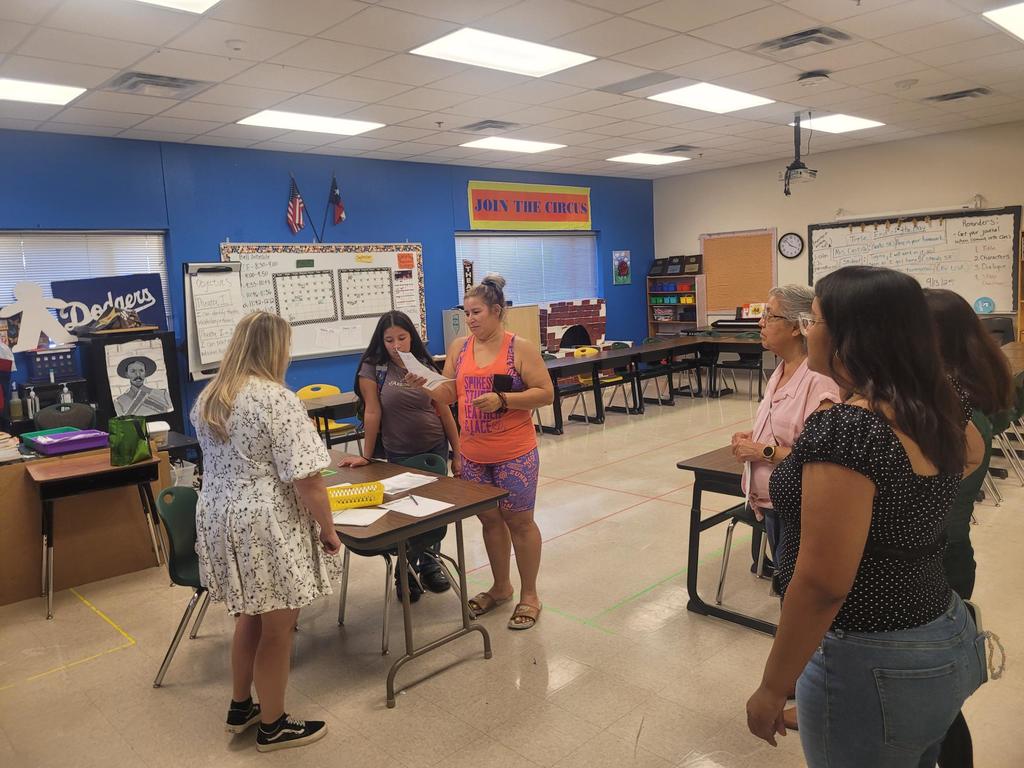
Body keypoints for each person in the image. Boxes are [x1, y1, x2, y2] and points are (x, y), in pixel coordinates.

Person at [746, 266, 988, 768]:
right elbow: (970, 457)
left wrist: (773, 688)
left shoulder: (848, 433)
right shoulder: (932, 399)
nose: (807, 330)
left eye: (813, 320)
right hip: (939, 625)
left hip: (873, 654)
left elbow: (823, 584)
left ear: (849, 336)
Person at [192, 311, 341, 753]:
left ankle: (242, 706)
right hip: (265, 522)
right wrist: (328, 530)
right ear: (276, 348)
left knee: (251, 617)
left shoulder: (210, 397)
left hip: (220, 516)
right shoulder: (276, 399)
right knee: (279, 626)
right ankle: (273, 725)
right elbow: (308, 478)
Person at [407, 274, 553, 630]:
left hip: (514, 451)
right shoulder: (459, 348)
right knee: (489, 520)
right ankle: (501, 587)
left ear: (496, 312)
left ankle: (529, 595)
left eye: (477, 312)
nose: (470, 319)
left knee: (519, 522)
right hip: (473, 453)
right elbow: (449, 394)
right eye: (466, 312)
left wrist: (505, 399)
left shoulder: (520, 348)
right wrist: (425, 386)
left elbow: (545, 393)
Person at [925, 289, 1013, 768]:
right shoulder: (966, 393)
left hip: (938, 559)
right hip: (951, 552)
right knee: (942, 704)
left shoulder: (951, 408)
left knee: (937, 708)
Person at [338, 311, 461, 601]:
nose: (396, 344)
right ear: (381, 341)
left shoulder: (424, 364)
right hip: (396, 453)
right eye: (389, 339)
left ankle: (430, 562)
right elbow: (372, 411)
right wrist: (366, 456)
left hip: (435, 449)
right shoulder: (373, 369)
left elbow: (444, 408)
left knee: (434, 513)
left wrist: (458, 450)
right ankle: (405, 569)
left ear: (412, 337)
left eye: (402, 338)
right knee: (403, 514)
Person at [731, 285, 840, 573]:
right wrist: (754, 436)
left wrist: (761, 449)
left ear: (796, 326)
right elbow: (787, 429)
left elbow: (820, 459)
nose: (760, 322)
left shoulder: (819, 381)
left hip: (798, 508)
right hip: (772, 504)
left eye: (769, 315)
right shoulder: (780, 371)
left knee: (796, 582)